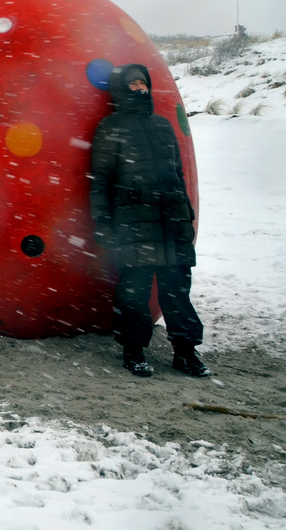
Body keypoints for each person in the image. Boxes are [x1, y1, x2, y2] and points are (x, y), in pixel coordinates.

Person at [89, 63, 209, 378]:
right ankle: (134, 352)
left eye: (143, 81)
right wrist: (103, 224)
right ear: (120, 89)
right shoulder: (111, 127)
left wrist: (187, 212)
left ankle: (185, 353)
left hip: (172, 222)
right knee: (134, 292)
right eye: (133, 83)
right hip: (134, 224)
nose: (140, 87)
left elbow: (178, 172)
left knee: (177, 292)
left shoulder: (162, 126)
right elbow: (100, 181)